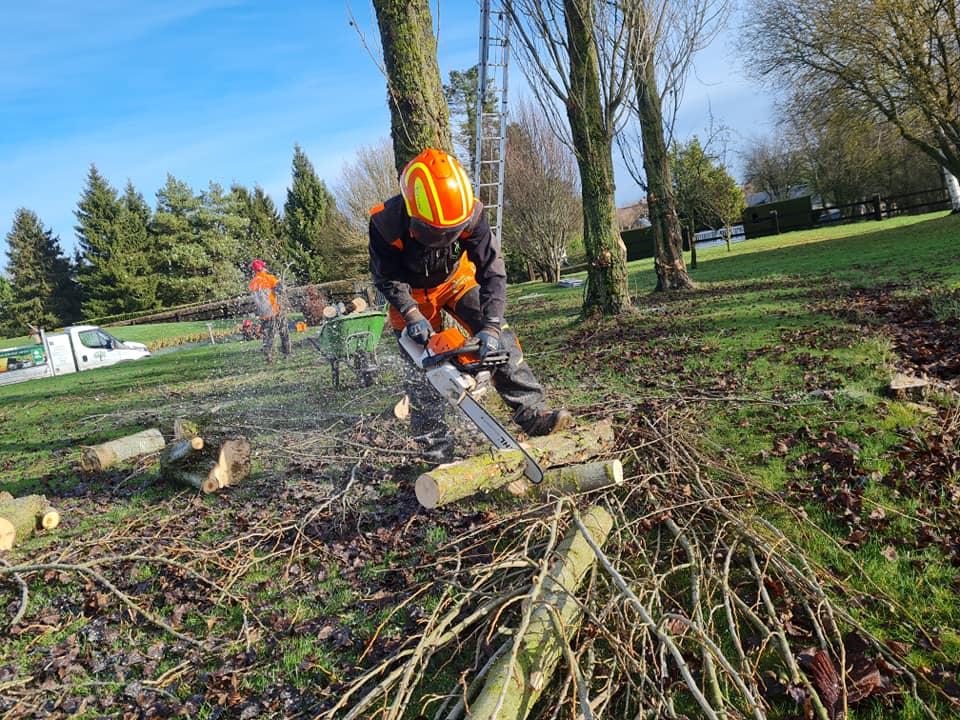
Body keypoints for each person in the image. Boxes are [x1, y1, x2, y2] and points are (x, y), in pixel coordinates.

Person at [369, 147, 572, 464]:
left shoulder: (472, 214)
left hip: (455, 280)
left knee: (501, 334)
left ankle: (532, 413)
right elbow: (387, 277)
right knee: (422, 374)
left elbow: (492, 270)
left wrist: (490, 325)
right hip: (408, 294)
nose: (443, 239)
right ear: (412, 210)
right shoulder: (385, 222)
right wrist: (411, 313)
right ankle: (435, 448)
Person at [248, 259, 290, 363]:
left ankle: (268, 355)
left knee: (268, 335)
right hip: (274, 311)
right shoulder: (268, 278)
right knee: (283, 331)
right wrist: (281, 283)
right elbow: (281, 289)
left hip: (263, 314)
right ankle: (287, 353)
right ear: (262, 267)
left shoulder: (252, 283)